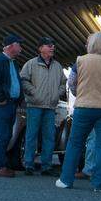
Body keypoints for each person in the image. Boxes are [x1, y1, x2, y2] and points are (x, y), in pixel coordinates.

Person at [56, 31, 101, 193]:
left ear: (91, 44)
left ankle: (66, 180)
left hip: (84, 107)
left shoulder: (80, 61)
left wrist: (80, 94)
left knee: (75, 143)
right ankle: (99, 184)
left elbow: (71, 83)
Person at [20, 37, 66, 175]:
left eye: (53, 45)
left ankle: (46, 166)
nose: (52, 47)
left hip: (50, 107)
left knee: (49, 137)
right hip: (34, 106)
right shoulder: (30, 64)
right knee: (31, 136)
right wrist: (34, 93)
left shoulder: (57, 66)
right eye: (49, 45)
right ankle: (29, 165)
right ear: (40, 48)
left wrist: (57, 94)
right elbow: (23, 80)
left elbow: (63, 83)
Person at [0, 33, 24, 177]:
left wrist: (18, 100)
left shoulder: (13, 63)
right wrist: (0, 99)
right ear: (11, 46)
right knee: (2, 136)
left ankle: (2, 164)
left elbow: (14, 82)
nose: (21, 48)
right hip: (2, 105)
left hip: (11, 105)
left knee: (7, 136)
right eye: (19, 45)